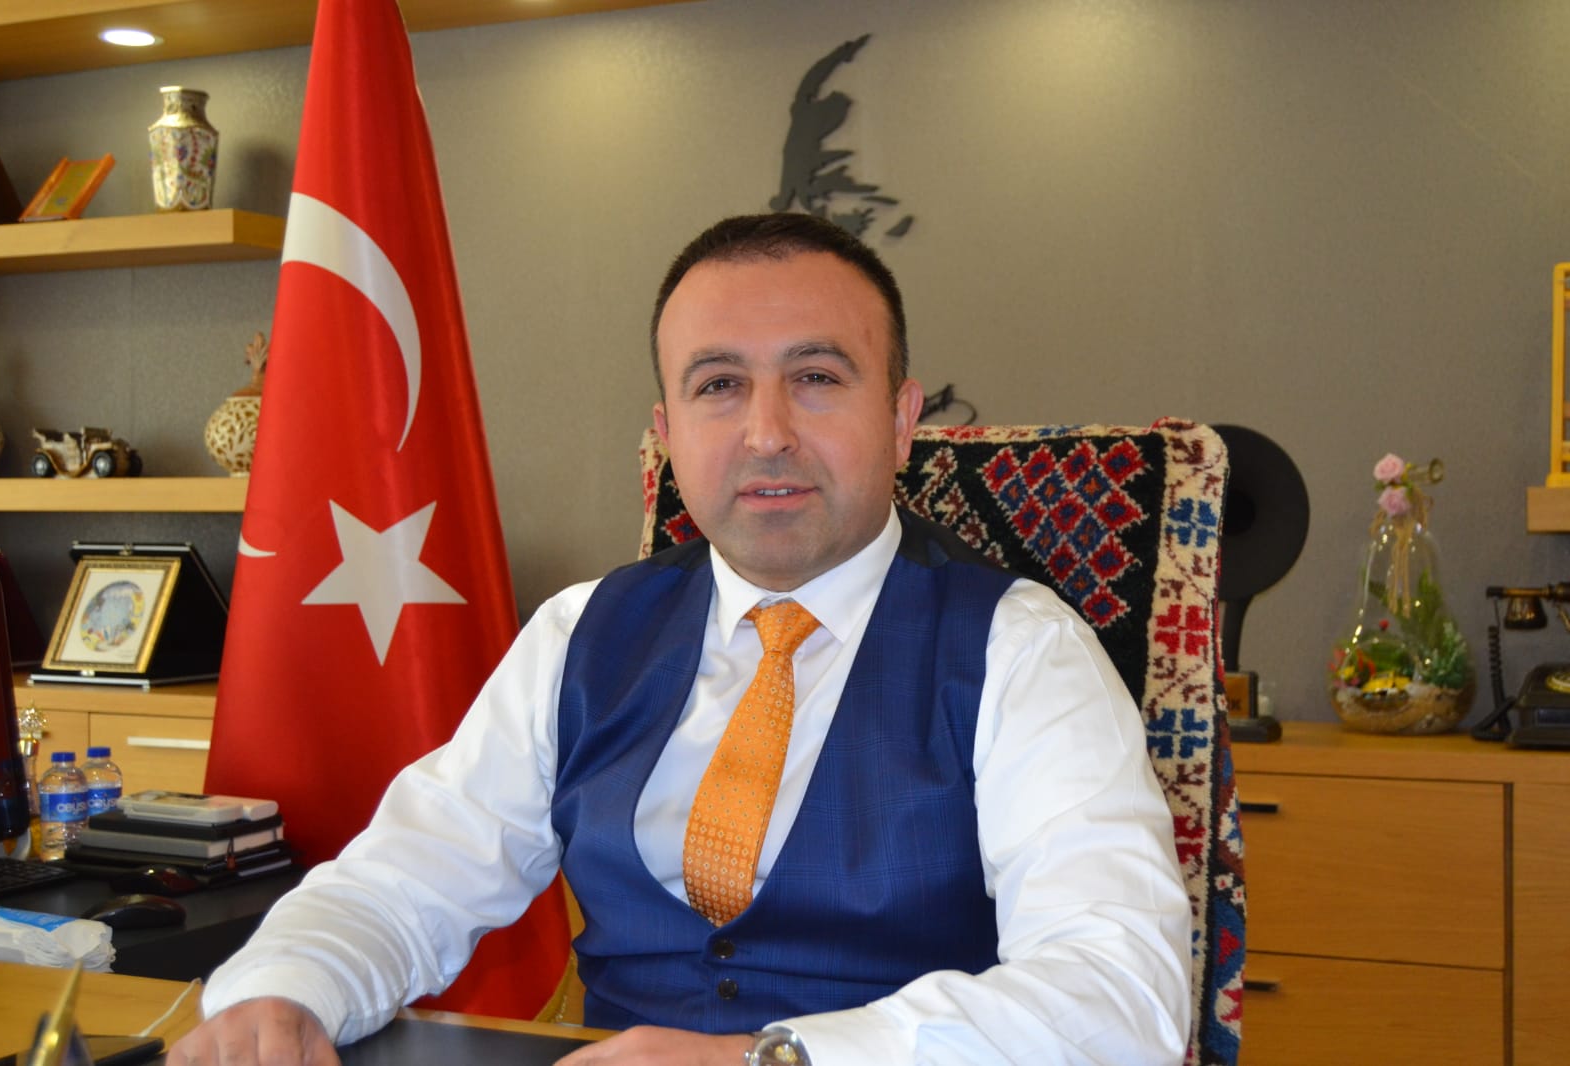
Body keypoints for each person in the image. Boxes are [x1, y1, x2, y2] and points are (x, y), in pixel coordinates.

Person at [168, 213, 1192, 1066]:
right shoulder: (581, 633)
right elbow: (408, 876)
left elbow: (1119, 995)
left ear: (900, 419)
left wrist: (770, 1059)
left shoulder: (1023, 650)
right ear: (666, 432)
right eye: (718, 385)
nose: (766, 432)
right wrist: (286, 991)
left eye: (817, 376)